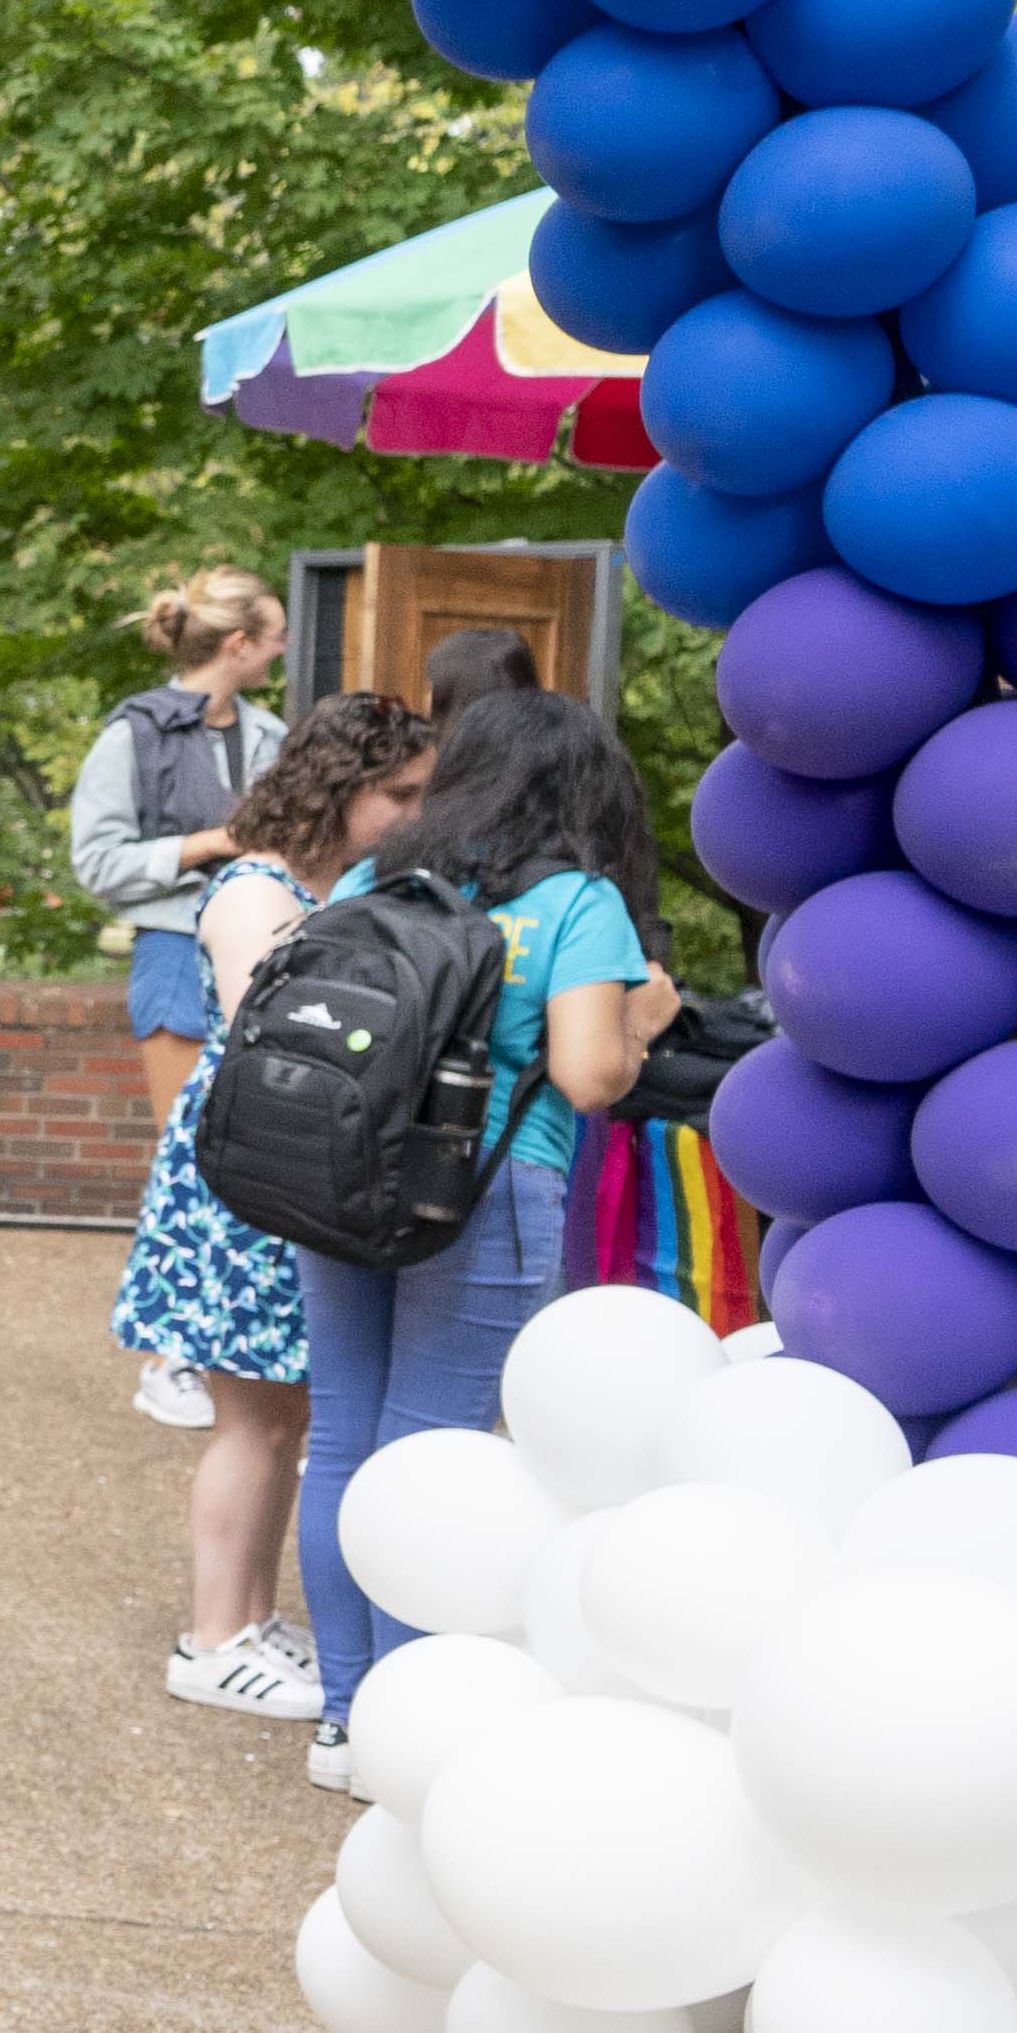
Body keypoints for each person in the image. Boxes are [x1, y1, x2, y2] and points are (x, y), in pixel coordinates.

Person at [287, 680, 674, 1711]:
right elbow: (589, 1076)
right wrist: (642, 1019)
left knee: (342, 1437)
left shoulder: (373, 876)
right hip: (486, 1185)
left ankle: (343, 1710)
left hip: (341, 1171)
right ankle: (409, 1718)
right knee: (434, 1450)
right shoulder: (572, 905)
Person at [110, 694, 426, 1734]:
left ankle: (247, 1618)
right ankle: (212, 1638)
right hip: (251, 1167)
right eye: (398, 794)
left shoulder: (335, 884)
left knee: (283, 1411)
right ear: (341, 790)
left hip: (289, 1164)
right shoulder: (254, 890)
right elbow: (284, 1028)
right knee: (250, 1418)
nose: (415, 812)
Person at [65, 572, 287, 1431]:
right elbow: (99, 863)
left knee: (256, 1151)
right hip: (172, 948)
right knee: (192, 1151)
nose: (280, 650)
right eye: (272, 637)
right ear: (239, 644)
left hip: (264, 945)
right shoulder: (132, 734)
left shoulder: (271, 734)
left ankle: (227, 1348)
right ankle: (172, 1357)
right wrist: (212, 845)